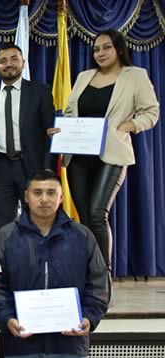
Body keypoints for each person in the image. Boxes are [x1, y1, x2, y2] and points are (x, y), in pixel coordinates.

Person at [0, 169, 110, 358]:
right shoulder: (6, 236)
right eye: (37, 193)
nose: (44, 199)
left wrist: (89, 318)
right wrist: (7, 319)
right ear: (26, 196)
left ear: (60, 197)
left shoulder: (82, 235)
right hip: (22, 341)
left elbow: (98, 285)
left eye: (50, 193)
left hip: (69, 341)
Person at [48, 29, 159, 269]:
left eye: (106, 47)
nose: (100, 53)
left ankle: (103, 274)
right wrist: (62, 130)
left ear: (119, 49)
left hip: (112, 154)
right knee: (86, 217)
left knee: (98, 213)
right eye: (96, 49)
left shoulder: (135, 76)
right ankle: (89, 271)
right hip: (78, 156)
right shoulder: (84, 76)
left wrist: (129, 125)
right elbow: (70, 113)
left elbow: (151, 112)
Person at [0, 43, 55, 232]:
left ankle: (39, 260)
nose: (9, 64)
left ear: (23, 62)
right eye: (3, 61)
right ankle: (7, 261)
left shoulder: (40, 91)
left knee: (39, 220)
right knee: (3, 226)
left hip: (32, 166)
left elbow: (50, 133)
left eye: (14, 59)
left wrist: (46, 168)